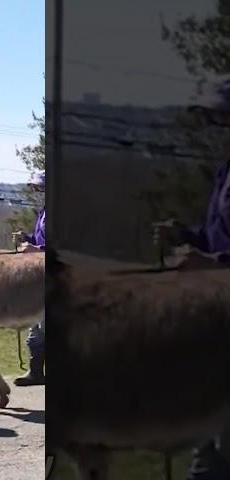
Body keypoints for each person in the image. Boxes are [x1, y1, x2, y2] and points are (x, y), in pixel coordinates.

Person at [154, 77, 230, 480]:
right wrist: (184, 234)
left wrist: (214, 262)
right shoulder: (225, 173)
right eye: (215, 120)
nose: (217, 129)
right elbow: (215, 234)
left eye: (224, 119)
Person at [12, 171, 45, 386]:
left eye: (40, 187)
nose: (37, 191)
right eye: (35, 188)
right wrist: (26, 239)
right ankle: (35, 372)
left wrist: (37, 249)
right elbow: (40, 239)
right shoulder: (44, 212)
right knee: (36, 323)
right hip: (39, 275)